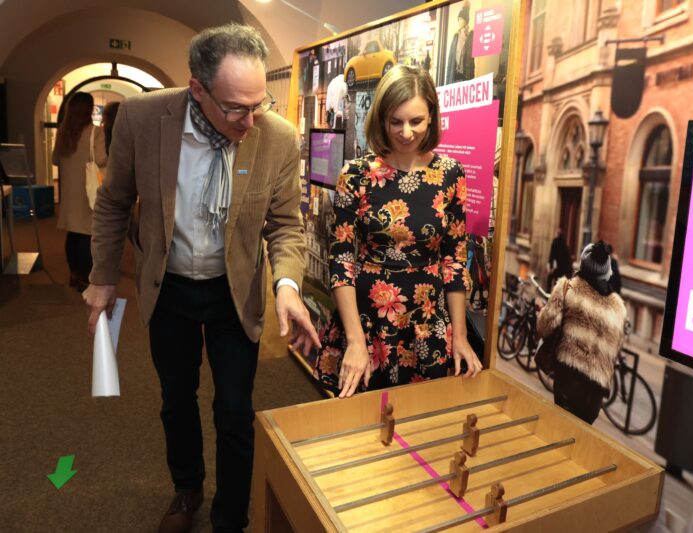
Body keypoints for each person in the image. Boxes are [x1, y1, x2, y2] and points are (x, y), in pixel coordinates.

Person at [82, 23, 320, 533]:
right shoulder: (144, 119)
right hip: (167, 287)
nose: (249, 121)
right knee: (176, 398)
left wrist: (287, 287)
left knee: (235, 409)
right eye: (235, 108)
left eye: (258, 104)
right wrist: (103, 277)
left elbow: (285, 225)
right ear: (197, 89)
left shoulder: (277, 137)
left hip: (235, 291)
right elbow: (114, 201)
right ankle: (187, 488)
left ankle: (231, 515)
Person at [314, 64, 482, 398]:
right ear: (382, 119)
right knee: (361, 421)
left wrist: (461, 336)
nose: (406, 132)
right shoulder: (356, 174)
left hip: (426, 323)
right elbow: (341, 261)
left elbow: (454, 260)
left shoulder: (450, 174)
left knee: (425, 420)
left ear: (431, 117)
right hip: (368, 322)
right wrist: (355, 341)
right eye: (396, 122)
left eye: (416, 121)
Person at [536, 241, 627, 424]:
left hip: (568, 381)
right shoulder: (618, 308)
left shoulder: (567, 288)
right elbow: (616, 349)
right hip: (595, 395)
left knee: (560, 429)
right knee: (579, 438)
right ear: (607, 271)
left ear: (582, 264)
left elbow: (544, 327)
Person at [53, 91, 107, 292]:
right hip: (88, 190)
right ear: (89, 110)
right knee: (87, 234)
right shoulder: (95, 132)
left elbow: (55, 160)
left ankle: (74, 273)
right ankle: (84, 277)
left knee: (73, 233)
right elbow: (100, 159)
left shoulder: (63, 132)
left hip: (69, 191)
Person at [446, 2, 475, 84]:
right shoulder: (456, 36)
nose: (459, 21)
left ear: (466, 20)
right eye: (458, 19)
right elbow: (450, 58)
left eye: (461, 19)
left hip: (466, 75)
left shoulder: (471, 36)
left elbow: (471, 59)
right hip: (455, 74)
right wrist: (447, 80)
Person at [547, 228, 572, 292]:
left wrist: (551, 266)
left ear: (557, 234)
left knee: (550, 278)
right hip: (562, 268)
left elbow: (553, 255)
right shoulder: (564, 243)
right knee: (557, 282)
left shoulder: (555, 242)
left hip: (556, 266)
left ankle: (548, 293)